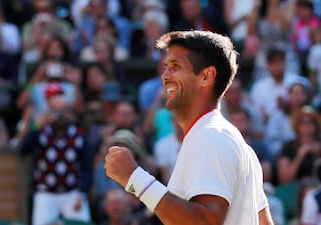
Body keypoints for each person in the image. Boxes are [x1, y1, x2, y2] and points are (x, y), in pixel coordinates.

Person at [104, 30, 274, 225]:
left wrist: (134, 177)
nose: (165, 76)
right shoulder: (231, 140)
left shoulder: (210, 136)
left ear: (206, 76)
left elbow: (205, 221)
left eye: (175, 66)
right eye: (166, 67)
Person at [20, 82, 92, 225]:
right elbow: (23, 151)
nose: (59, 117)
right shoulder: (41, 132)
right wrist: (35, 127)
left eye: (62, 112)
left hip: (72, 192)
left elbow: (87, 167)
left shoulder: (78, 135)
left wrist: (82, 193)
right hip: (46, 192)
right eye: (56, 112)